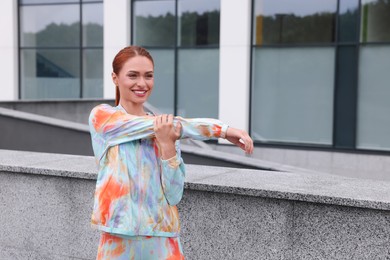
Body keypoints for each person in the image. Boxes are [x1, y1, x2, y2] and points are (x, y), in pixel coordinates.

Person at [88, 46, 253, 259]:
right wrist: (221, 130)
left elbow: (174, 195)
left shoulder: (168, 132)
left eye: (148, 76)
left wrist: (167, 146)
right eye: (133, 75)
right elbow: (161, 126)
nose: (142, 83)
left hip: (163, 239)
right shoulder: (103, 117)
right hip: (117, 239)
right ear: (115, 78)